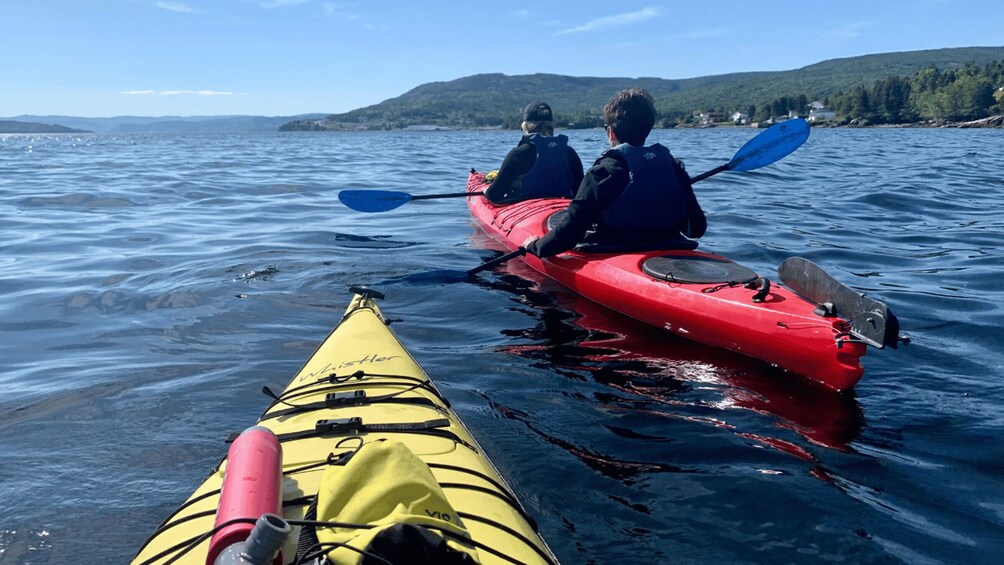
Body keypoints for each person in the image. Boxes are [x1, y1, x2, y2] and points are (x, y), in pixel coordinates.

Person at [524, 88, 707, 258]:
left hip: (611, 250)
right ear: (648, 129)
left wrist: (534, 247)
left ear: (610, 131)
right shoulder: (674, 167)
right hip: (670, 247)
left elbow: (569, 234)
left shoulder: (603, 172)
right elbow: (696, 229)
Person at [484, 101, 584, 205]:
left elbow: (494, 195)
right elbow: (580, 193)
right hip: (563, 210)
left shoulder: (518, 154)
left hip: (526, 212)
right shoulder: (570, 152)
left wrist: (485, 190)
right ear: (552, 124)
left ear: (525, 126)